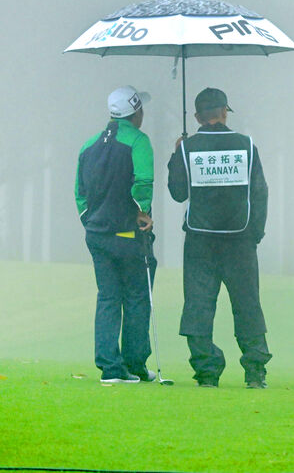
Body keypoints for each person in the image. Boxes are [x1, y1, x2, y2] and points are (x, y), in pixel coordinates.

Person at [167, 87, 271, 389]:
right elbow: (260, 192)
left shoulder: (188, 148)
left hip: (200, 240)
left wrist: (178, 155)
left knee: (198, 306)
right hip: (240, 240)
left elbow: (178, 194)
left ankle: (207, 371)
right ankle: (255, 371)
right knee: (248, 304)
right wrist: (256, 234)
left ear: (198, 117)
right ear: (224, 112)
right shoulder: (246, 145)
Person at [75, 85, 157, 383]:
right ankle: (134, 365)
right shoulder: (138, 141)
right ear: (136, 112)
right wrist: (143, 211)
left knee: (108, 297)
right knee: (136, 296)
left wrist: (89, 220)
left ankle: (111, 368)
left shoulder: (88, 145)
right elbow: (143, 182)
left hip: (96, 235)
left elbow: (79, 194)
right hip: (126, 235)